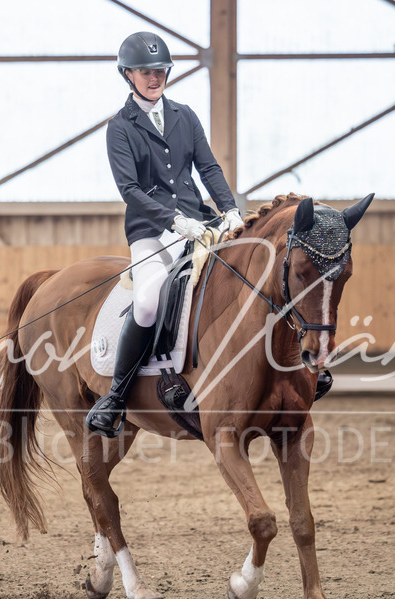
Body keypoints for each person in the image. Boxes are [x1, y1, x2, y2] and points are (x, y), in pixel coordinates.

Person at [86, 31, 245, 438]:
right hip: (151, 231)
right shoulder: (119, 127)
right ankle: (116, 396)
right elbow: (130, 190)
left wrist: (228, 209)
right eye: (145, 72)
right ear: (128, 75)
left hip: (200, 222)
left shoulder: (185, 115)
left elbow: (208, 168)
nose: (154, 78)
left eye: (160, 71)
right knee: (146, 301)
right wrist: (174, 221)